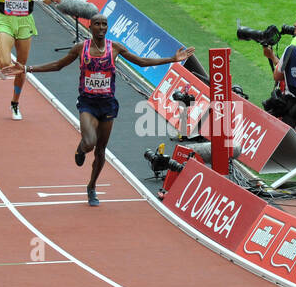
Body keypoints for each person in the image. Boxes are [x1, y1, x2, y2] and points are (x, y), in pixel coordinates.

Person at [18, 15, 194, 205]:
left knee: (100, 150)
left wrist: (172, 59)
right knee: (90, 142)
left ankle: (91, 187)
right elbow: (58, 65)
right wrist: (28, 68)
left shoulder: (115, 48)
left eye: (104, 24)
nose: (101, 27)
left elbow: (141, 62)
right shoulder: (81, 48)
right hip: (87, 103)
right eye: (97, 24)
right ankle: (81, 148)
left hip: (108, 104)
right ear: (91, 26)